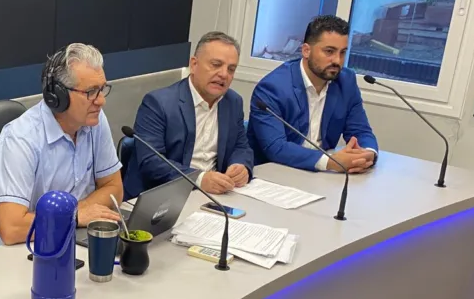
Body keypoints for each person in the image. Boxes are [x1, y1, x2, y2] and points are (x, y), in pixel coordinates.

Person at [0, 43, 123, 249]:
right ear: (58, 96)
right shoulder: (20, 138)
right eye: (91, 92)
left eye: (102, 89)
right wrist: (74, 216)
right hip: (19, 251)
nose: (101, 101)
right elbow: (12, 227)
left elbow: (114, 189)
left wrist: (77, 214)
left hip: (69, 238)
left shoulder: (93, 120)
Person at [124, 31, 253, 199]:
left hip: (213, 195)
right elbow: (151, 162)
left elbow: (241, 146)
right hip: (162, 197)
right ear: (194, 64)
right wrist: (199, 179)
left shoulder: (233, 102)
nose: (224, 74)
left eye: (231, 69)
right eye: (216, 65)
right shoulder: (158, 103)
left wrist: (241, 165)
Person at [248, 15, 379, 173]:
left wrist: (367, 154)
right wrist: (331, 162)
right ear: (306, 51)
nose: (337, 60)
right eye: (329, 51)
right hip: (276, 172)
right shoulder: (272, 88)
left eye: (343, 52)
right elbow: (276, 147)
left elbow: (360, 131)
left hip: (321, 175)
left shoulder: (346, 82)